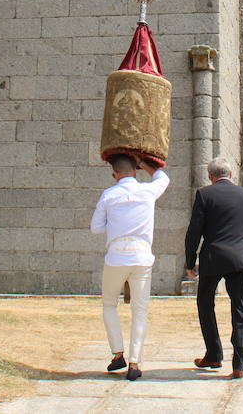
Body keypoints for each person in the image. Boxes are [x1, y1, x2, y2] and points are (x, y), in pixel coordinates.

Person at [90, 153, 170, 381]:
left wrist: (114, 223)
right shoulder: (147, 191)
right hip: (142, 255)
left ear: (114, 174)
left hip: (116, 255)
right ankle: (135, 361)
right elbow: (163, 178)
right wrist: (144, 162)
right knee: (140, 310)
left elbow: (96, 227)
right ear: (135, 170)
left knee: (108, 304)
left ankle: (118, 353)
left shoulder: (108, 194)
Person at [184, 157, 243, 378]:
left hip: (213, 258)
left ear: (211, 177)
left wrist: (190, 263)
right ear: (231, 174)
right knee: (240, 308)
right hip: (241, 259)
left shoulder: (204, 194)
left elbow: (194, 232)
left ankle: (214, 353)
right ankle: (240, 363)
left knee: (205, 304)